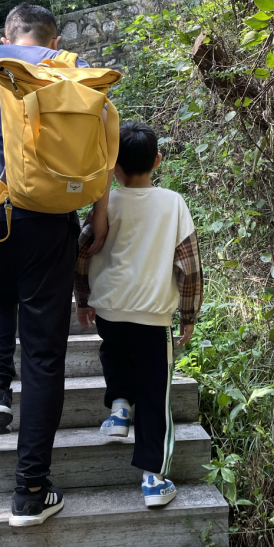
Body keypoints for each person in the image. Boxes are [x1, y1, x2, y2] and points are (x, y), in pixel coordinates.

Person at [0, 3, 112, 527]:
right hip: (50, 215)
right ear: (52, 36)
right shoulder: (70, 65)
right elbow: (99, 147)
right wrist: (98, 216)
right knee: (45, 352)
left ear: (9, 32)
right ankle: (30, 490)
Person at [73, 121, 203, 507]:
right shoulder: (173, 203)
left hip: (110, 308)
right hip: (152, 314)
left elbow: (83, 250)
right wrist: (189, 317)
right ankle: (153, 478)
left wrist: (83, 299)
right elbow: (190, 266)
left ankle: (118, 408)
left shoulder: (106, 202)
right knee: (155, 392)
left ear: (113, 167)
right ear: (158, 161)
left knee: (114, 353)